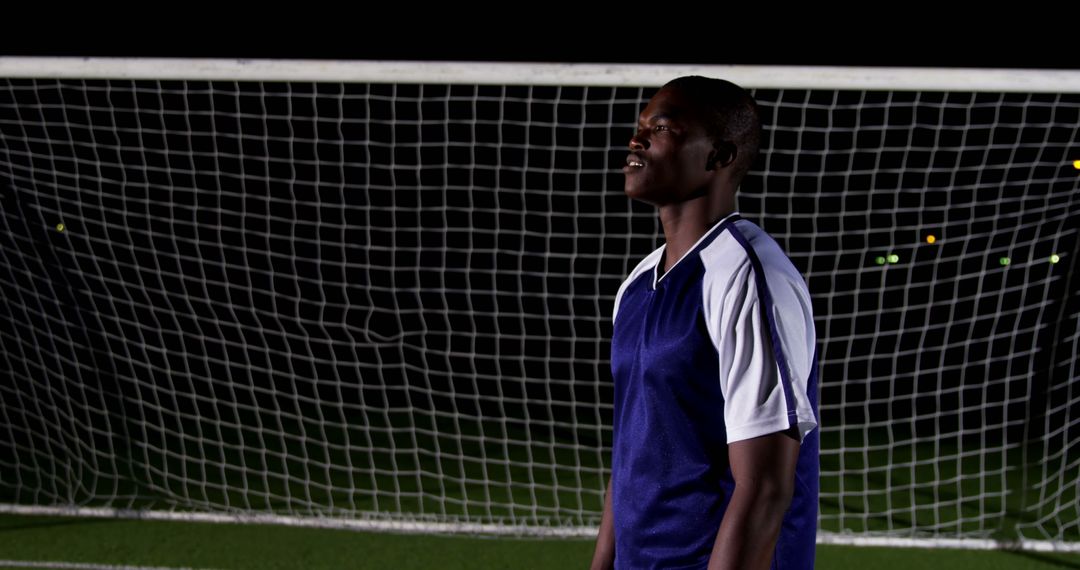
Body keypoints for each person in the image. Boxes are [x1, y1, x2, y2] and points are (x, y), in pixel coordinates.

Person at [590, 76, 820, 570]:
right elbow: (632, 457)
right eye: (639, 126)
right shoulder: (637, 285)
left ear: (719, 156)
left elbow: (764, 487)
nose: (637, 139)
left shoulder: (748, 276)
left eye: (663, 127)